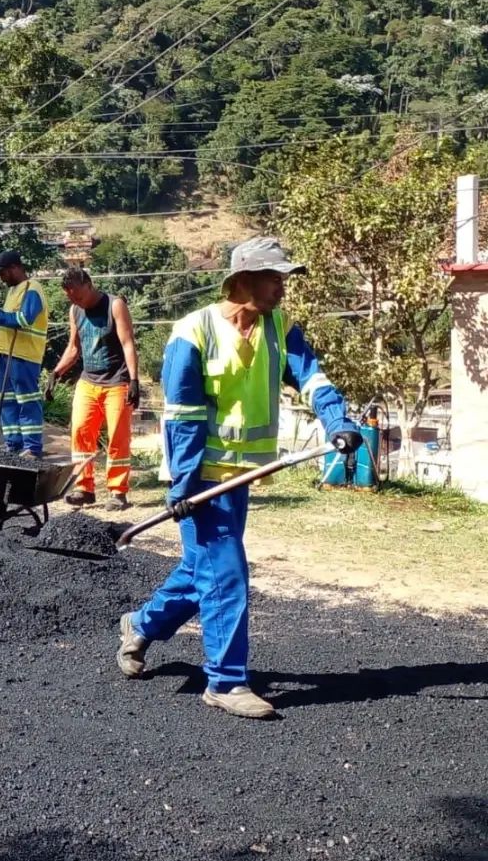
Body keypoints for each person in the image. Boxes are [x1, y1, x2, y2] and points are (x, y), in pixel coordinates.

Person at [116, 237, 362, 718]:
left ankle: (141, 626)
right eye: (274, 278)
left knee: (201, 570)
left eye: (284, 279)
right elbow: (183, 414)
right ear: (242, 279)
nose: (281, 288)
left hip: (240, 474)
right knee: (227, 572)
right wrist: (185, 486)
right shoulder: (193, 332)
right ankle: (226, 682)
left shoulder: (279, 327)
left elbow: (312, 378)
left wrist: (338, 420)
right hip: (201, 474)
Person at [46, 266, 139, 512]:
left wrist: (134, 380)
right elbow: (74, 348)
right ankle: (84, 488)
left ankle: (118, 492)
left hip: (116, 381)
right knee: (80, 431)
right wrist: (56, 373)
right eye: (70, 296)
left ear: (89, 284)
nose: (75, 300)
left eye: (77, 294)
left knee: (118, 436)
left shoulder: (114, 305)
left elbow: (128, 342)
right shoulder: (75, 310)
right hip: (88, 381)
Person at [0, 249, 49, 458]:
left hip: (24, 355)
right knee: (7, 400)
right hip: (7, 355)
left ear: (14, 268)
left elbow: (23, 319)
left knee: (27, 400)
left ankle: (32, 446)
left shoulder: (32, 289)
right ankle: (13, 444)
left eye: (3, 273)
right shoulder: (13, 291)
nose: (1, 278)